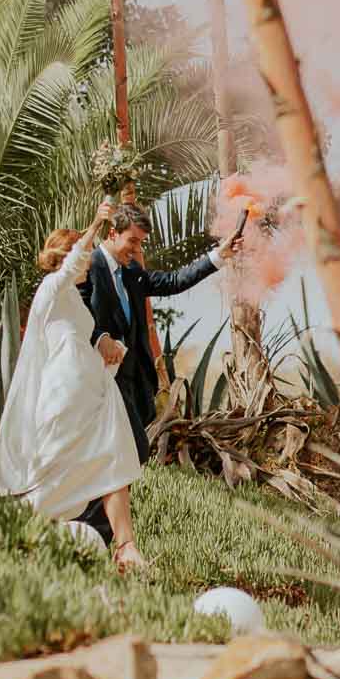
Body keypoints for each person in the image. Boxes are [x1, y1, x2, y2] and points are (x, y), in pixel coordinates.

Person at [0, 200, 149, 571]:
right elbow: (75, 264)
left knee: (114, 459)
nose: (90, 262)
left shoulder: (76, 304)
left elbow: (80, 334)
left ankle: (126, 547)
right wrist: (95, 223)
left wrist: (106, 345)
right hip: (64, 397)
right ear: (70, 256)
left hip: (92, 393)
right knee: (54, 468)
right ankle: (26, 529)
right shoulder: (51, 288)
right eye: (87, 254)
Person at [73, 200, 242, 546]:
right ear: (112, 232)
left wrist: (217, 257)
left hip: (134, 380)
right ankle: (92, 526)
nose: (136, 250)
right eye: (132, 241)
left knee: (128, 452)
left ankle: (94, 528)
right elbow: (73, 308)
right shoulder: (89, 267)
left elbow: (173, 281)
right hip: (103, 381)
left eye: (141, 243)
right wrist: (100, 337)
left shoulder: (132, 272)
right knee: (131, 447)